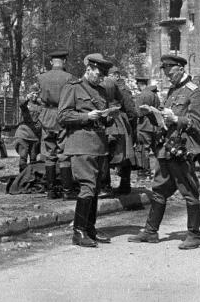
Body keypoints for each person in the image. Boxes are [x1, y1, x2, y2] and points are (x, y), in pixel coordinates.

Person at [129, 54, 200, 250]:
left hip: (182, 148)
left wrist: (175, 119)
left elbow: (198, 123)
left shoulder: (195, 91)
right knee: (159, 188)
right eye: (165, 71)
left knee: (188, 190)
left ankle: (194, 234)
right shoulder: (173, 91)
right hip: (167, 147)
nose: (167, 75)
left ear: (180, 68)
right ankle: (150, 231)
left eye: (169, 71)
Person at [58, 53, 116, 247]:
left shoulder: (101, 91)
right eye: (98, 74)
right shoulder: (72, 88)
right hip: (81, 144)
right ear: (88, 69)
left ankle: (90, 228)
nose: (101, 78)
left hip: (98, 145)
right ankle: (79, 231)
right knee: (87, 187)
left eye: (103, 75)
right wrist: (86, 117)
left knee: (95, 189)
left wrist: (108, 116)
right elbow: (63, 116)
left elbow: (103, 114)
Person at [37, 49, 76, 199]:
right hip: (63, 116)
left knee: (49, 154)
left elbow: (39, 98)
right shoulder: (70, 77)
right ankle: (67, 191)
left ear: (51, 62)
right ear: (64, 61)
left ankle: (50, 191)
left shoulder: (41, 77)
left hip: (47, 116)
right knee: (64, 154)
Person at [103, 66, 139, 196]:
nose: (110, 78)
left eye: (113, 75)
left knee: (123, 156)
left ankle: (123, 185)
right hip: (112, 122)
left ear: (117, 76)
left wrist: (130, 126)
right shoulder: (107, 86)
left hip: (118, 123)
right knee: (112, 155)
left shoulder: (122, 89)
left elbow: (131, 111)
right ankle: (110, 185)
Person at [134, 77, 160, 180]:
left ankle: (144, 173)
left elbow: (138, 112)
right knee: (156, 149)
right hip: (154, 126)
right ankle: (162, 170)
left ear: (140, 84)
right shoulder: (154, 95)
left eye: (137, 85)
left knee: (143, 149)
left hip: (144, 126)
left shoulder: (142, 95)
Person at [15, 89, 42, 174]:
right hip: (24, 134)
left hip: (34, 136)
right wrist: (26, 98)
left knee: (33, 159)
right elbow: (21, 105)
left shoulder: (40, 105)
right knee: (23, 157)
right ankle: (21, 176)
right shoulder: (25, 104)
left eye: (37, 93)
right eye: (33, 93)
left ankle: (31, 177)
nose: (35, 95)